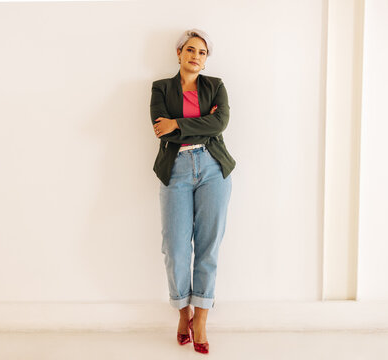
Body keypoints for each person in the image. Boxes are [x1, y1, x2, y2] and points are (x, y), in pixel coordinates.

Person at [149, 28, 236, 354]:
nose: (195, 56)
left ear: (206, 58)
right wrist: (200, 121)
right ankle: (182, 310)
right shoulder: (161, 88)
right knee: (175, 247)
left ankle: (200, 317)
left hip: (214, 169)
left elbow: (220, 123)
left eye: (201, 52)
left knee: (208, 245)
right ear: (179, 53)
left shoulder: (216, 86)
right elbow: (160, 128)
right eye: (190, 50)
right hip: (176, 170)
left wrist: (180, 124)